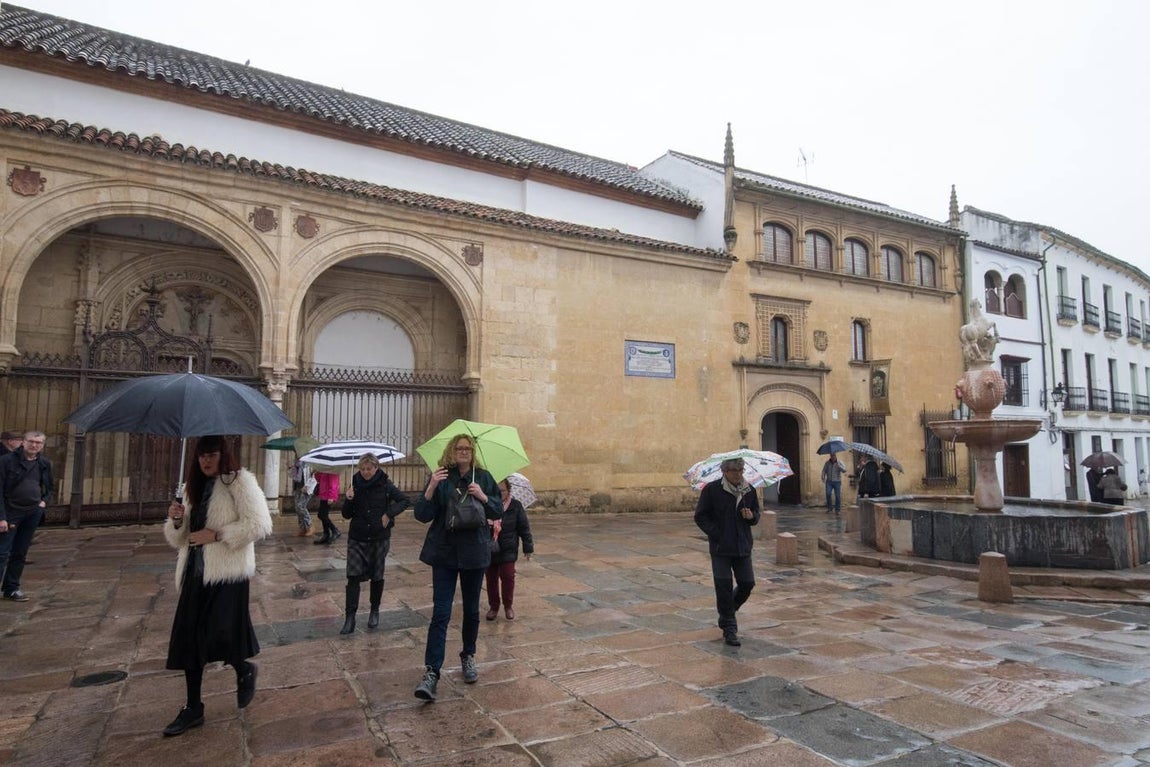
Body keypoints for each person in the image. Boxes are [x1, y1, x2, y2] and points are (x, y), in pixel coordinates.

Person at [161, 435, 272, 737]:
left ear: (224, 456)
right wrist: (175, 521)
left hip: (227, 573)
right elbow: (181, 538)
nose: (206, 461)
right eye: (202, 456)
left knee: (221, 633)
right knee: (189, 640)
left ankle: (243, 668)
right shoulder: (189, 488)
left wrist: (219, 535)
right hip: (194, 572)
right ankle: (193, 706)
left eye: (212, 455)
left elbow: (259, 523)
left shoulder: (239, 481)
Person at [412, 433, 501, 701]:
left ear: (472, 452)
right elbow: (421, 515)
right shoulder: (441, 477)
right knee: (441, 612)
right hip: (445, 553)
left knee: (472, 610)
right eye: (459, 448)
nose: (463, 452)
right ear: (452, 451)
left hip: (474, 552)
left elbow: (498, 512)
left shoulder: (483, 477)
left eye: (467, 448)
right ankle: (431, 672)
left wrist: (484, 497)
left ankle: (468, 656)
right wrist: (430, 488)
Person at [339, 454, 410, 635]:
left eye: (369, 469)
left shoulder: (385, 485)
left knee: (377, 575)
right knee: (353, 576)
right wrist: (348, 499)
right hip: (357, 537)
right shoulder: (354, 484)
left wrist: (389, 513)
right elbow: (346, 515)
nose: (365, 473)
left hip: (379, 537)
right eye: (362, 469)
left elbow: (404, 500)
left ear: (376, 468)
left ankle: (374, 610)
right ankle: (350, 617)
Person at [693, 457, 760, 647]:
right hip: (721, 548)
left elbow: (756, 514)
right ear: (725, 472)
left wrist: (751, 516)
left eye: (741, 470)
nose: (738, 474)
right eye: (734, 471)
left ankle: (726, 613)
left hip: (743, 546)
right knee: (723, 588)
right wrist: (717, 534)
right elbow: (700, 516)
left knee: (747, 583)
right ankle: (729, 628)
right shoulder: (712, 490)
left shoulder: (749, 490)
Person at [0, 431, 52, 602]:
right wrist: (2, 517)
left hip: (32, 512)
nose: (34, 445)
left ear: (42, 445)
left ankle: (12, 588)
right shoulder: (6, 461)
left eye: (39, 443)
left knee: (20, 552)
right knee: (2, 552)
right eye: (31, 441)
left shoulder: (44, 463)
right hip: (10, 512)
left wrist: (43, 503)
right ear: (23, 442)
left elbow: (49, 487)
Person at [485, 478, 534, 621]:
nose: (499, 493)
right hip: (490, 548)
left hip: (508, 548)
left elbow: (524, 528)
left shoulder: (516, 506)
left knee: (508, 577)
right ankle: (494, 607)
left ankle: (508, 606)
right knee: (491, 579)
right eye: (496, 491)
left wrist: (528, 547)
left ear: (508, 491)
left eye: (502, 491)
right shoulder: (486, 504)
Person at [313, 471, 342, 545]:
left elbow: (334, 484)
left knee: (322, 515)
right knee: (323, 515)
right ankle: (326, 534)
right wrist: (317, 472)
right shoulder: (324, 470)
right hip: (323, 494)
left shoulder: (332, 470)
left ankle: (334, 530)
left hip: (328, 496)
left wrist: (331, 496)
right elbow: (318, 479)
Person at [289, 457, 314, 538]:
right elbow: (293, 477)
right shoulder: (296, 463)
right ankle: (302, 528)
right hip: (297, 487)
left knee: (301, 506)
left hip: (306, 488)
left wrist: (307, 485)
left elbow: (313, 475)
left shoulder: (309, 462)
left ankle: (310, 526)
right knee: (297, 508)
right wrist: (291, 468)